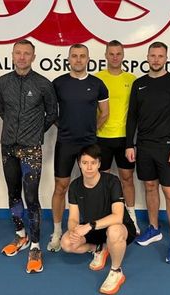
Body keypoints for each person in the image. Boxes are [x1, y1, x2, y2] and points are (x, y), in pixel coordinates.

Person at [0, 40, 57, 273]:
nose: (22, 57)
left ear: (33, 56)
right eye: (18, 53)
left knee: (31, 198)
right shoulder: (3, 82)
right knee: (13, 194)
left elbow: (52, 114)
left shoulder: (43, 84)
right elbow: (2, 109)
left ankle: (35, 246)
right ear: (12, 55)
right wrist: (15, 129)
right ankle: (20, 235)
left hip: (31, 148)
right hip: (8, 147)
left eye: (26, 53)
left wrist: (34, 132)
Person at [125, 41, 170, 265]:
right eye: (152, 56)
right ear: (147, 57)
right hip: (144, 146)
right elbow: (132, 116)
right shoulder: (139, 84)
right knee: (150, 186)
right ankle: (154, 228)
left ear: (166, 58)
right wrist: (130, 144)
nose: (156, 60)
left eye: (160, 56)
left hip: (168, 147)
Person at [47, 44, 109, 252]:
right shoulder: (58, 83)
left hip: (89, 144)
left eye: (82, 56)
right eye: (74, 56)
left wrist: (91, 130)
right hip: (65, 142)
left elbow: (105, 113)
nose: (78, 59)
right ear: (69, 59)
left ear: (88, 59)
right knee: (61, 186)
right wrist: (64, 127)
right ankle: (57, 231)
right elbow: (51, 113)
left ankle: (93, 232)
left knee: (93, 187)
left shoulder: (97, 84)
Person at [61, 144, 136, 295]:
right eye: (85, 163)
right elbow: (73, 218)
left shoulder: (112, 182)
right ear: (79, 164)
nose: (89, 167)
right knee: (66, 243)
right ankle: (99, 248)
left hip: (118, 227)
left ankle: (116, 271)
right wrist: (74, 231)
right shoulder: (75, 186)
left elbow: (117, 217)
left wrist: (89, 226)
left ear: (99, 164)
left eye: (93, 163)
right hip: (93, 229)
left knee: (114, 232)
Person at [95, 40, 139, 234]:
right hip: (101, 138)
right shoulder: (97, 78)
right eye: (111, 54)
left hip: (124, 139)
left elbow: (135, 112)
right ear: (105, 55)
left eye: (118, 54)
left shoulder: (132, 79)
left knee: (127, 178)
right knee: (102, 180)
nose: (114, 57)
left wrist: (132, 141)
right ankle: (104, 218)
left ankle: (131, 218)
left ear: (123, 55)